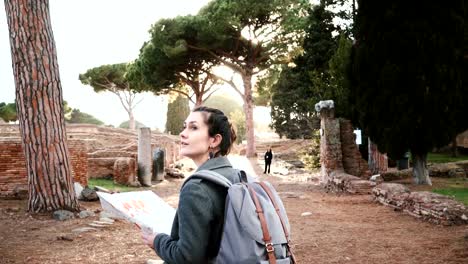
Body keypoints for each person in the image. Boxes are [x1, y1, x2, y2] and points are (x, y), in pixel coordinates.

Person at [141, 106, 240, 264]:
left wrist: (156, 240)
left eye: (193, 127)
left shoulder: (196, 188)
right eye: (184, 126)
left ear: (214, 140)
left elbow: (186, 258)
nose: (182, 133)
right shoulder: (237, 176)